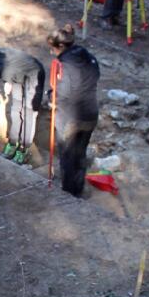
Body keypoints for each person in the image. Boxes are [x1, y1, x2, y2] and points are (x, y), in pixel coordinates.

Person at [46, 26, 100, 198]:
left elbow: (66, 91)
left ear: (60, 46)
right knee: (80, 152)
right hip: (91, 113)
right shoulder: (88, 57)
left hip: (70, 116)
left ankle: (69, 195)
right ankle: (79, 187)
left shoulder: (65, 64)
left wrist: (51, 96)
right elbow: (94, 78)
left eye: (52, 48)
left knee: (68, 156)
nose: (51, 51)